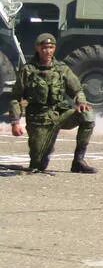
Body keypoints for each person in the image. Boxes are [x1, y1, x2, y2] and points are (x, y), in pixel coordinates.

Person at [8, 33, 97, 174]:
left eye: (51, 47)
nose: (47, 51)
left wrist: (81, 101)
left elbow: (77, 89)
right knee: (38, 166)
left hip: (60, 115)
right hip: (39, 120)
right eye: (44, 48)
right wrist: (15, 122)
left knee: (87, 115)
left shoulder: (62, 69)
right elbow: (15, 97)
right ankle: (44, 150)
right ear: (37, 48)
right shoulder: (28, 70)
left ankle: (78, 161)